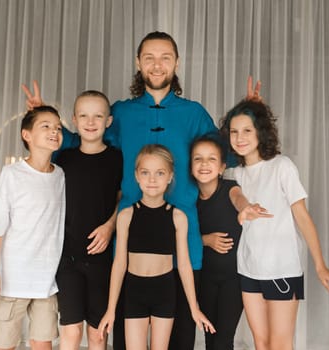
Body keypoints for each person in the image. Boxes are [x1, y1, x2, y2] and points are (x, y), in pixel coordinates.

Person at [22, 31, 265, 350]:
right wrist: (45, 122)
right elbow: (83, 143)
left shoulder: (193, 113)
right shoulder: (121, 112)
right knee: (126, 340)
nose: (157, 64)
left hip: (182, 241)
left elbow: (228, 153)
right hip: (128, 237)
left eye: (165, 57)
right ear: (138, 63)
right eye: (149, 57)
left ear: (177, 63)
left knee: (179, 340)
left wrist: (251, 116)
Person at [220, 99, 329, 350]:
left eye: (247, 130)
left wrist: (320, 266)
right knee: (261, 342)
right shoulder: (234, 173)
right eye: (234, 132)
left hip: (281, 269)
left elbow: (302, 216)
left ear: (261, 131)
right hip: (248, 269)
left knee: (279, 344)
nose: (240, 137)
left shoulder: (282, 166)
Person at [97, 144, 215, 350]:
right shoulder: (126, 215)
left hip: (165, 291)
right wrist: (110, 309)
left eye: (160, 173)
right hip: (134, 291)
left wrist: (194, 308)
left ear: (170, 176)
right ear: (136, 176)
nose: (152, 179)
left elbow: (185, 264)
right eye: (145, 172)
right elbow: (119, 264)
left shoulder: (178, 217)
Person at [0, 106, 65, 350]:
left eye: (58, 127)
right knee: (5, 343)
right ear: (26, 135)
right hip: (12, 279)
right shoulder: (12, 174)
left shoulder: (60, 175)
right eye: (46, 126)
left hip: (46, 280)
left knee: (43, 342)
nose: (54, 131)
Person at [53, 90, 122, 350]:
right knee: (70, 334)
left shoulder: (117, 158)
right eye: (83, 115)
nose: (90, 122)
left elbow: (122, 199)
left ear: (108, 121)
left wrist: (109, 225)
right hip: (67, 259)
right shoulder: (64, 159)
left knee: (97, 335)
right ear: (73, 120)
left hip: (102, 262)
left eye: (98, 116)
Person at [190, 134, 245, 350]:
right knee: (210, 337)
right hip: (204, 278)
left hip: (234, 278)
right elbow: (180, 237)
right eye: (198, 159)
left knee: (223, 339)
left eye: (211, 159)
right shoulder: (190, 199)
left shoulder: (230, 187)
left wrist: (246, 208)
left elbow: (238, 198)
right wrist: (206, 240)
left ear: (222, 167)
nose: (204, 164)